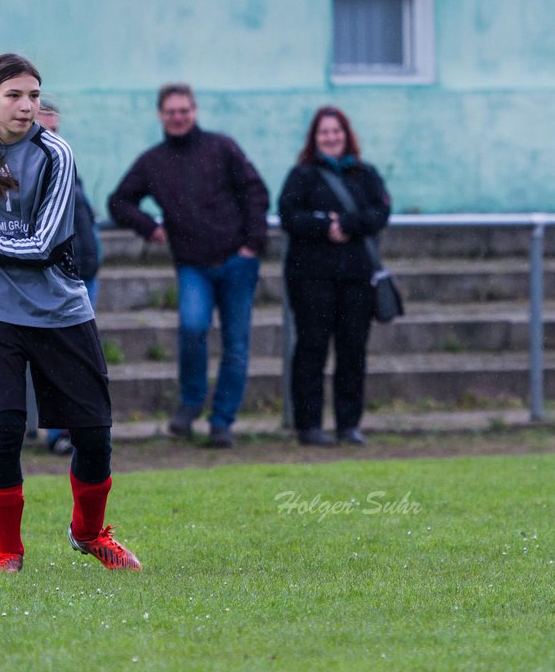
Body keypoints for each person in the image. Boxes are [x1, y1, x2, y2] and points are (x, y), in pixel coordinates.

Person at [0, 52, 141, 573]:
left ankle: (88, 533)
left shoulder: (56, 155)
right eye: (15, 95)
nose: (26, 106)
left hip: (59, 305)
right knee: (3, 430)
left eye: (34, 95)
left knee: (92, 434)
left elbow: (41, 244)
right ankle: (6, 553)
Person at [108, 83, 269, 448]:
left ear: (194, 111)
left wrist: (253, 245)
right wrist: (150, 228)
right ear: (160, 115)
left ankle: (222, 422)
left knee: (236, 346)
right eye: (171, 112)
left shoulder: (222, 147)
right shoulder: (153, 161)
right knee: (193, 329)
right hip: (192, 266)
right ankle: (191, 404)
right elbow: (119, 202)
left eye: (184, 110)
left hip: (237, 261)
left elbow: (255, 192)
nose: (178, 117)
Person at [278, 106, 391, 446]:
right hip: (311, 278)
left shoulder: (365, 174)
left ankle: (348, 424)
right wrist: (325, 226)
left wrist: (347, 224)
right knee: (311, 349)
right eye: (324, 132)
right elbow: (289, 214)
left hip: (357, 277)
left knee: (353, 351)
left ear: (346, 135)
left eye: (336, 131)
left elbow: (380, 210)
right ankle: (309, 425)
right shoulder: (302, 175)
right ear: (315, 138)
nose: (331, 138)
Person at [35, 101, 102, 456]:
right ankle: (58, 432)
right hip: (54, 278)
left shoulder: (65, 166)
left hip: (83, 273)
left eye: (56, 130)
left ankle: (81, 430)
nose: (53, 139)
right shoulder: (25, 176)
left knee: (81, 360)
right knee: (56, 361)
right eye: (45, 131)